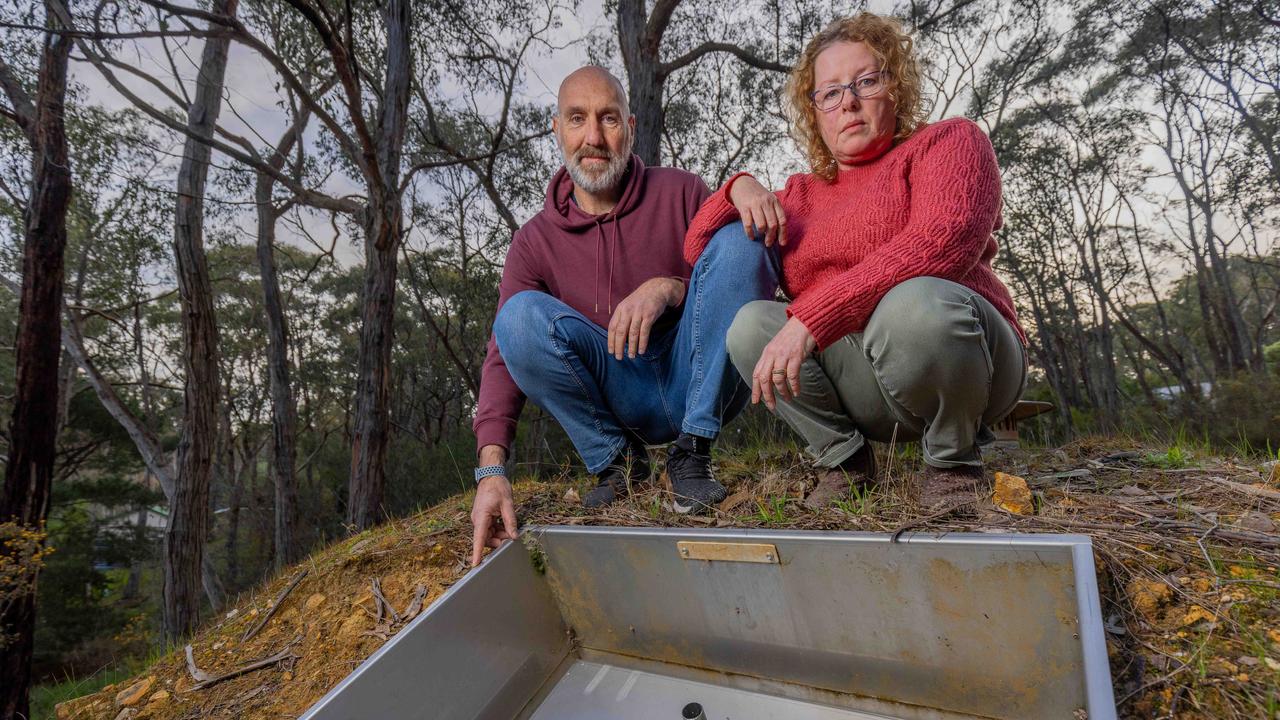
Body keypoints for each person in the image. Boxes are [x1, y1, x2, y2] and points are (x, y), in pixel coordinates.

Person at [685, 13, 1027, 511]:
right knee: (749, 326)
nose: (848, 101)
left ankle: (954, 463)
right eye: (830, 92)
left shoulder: (948, 142)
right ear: (815, 112)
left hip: (965, 360)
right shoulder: (799, 198)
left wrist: (812, 318)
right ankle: (844, 462)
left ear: (897, 89)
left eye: (867, 81)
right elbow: (699, 251)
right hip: (863, 383)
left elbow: (943, 241)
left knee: (915, 301)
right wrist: (739, 186)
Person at [469, 67, 778, 565]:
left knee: (742, 241)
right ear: (558, 130)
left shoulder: (679, 191)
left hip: (695, 376)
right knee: (516, 319)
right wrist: (491, 469)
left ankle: (692, 455)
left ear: (630, 127)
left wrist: (668, 287)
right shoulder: (533, 242)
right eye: (577, 119)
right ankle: (616, 463)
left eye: (608, 118)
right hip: (617, 392)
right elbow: (504, 359)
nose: (594, 137)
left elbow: (731, 277)